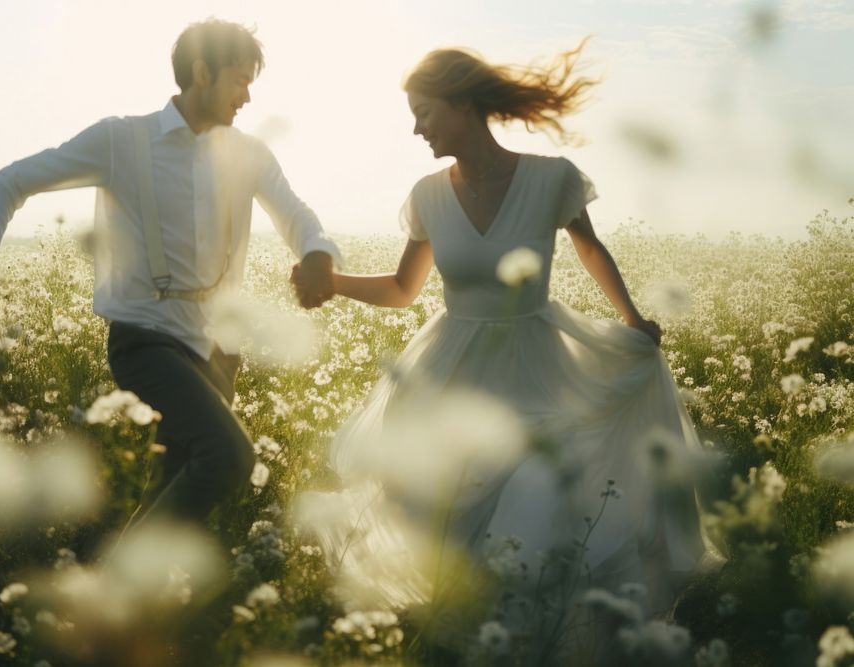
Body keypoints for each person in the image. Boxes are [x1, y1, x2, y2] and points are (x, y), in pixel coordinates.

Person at [293, 43, 710, 663]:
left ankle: (544, 636)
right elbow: (404, 289)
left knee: (538, 497)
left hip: (538, 366)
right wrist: (333, 284)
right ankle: (474, 633)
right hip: (451, 368)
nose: (415, 128)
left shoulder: (550, 180)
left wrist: (631, 320)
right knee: (447, 508)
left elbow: (591, 249)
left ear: (462, 104)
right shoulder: (427, 195)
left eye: (423, 112)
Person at [0, 19, 342, 534]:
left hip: (219, 347)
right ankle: (124, 586)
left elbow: (296, 214)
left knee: (174, 478)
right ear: (201, 72)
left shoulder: (249, 153)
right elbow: (13, 180)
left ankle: (118, 599)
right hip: (145, 336)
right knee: (228, 458)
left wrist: (316, 252)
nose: (247, 97)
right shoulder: (122, 140)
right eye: (240, 80)